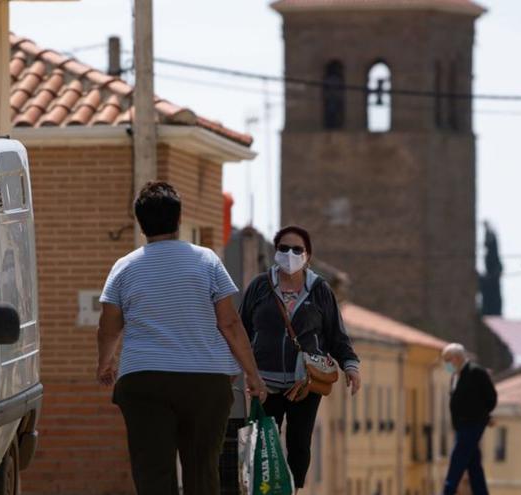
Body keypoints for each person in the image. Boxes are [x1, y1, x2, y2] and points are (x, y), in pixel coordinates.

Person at [96, 181, 268, 495]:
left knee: (153, 475)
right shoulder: (208, 261)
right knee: (203, 472)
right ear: (178, 219)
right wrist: (252, 374)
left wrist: (105, 364)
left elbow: (109, 327)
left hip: (144, 379)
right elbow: (229, 323)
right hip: (206, 381)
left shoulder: (123, 268)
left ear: (140, 222)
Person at [239, 225, 361, 491]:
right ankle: (266, 491)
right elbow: (241, 330)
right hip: (264, 383)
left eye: (297, 249)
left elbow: (336, 334)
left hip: (305, 383)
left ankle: (294, 489)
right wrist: (240, 371)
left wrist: (351, 366)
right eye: (283, 248)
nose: (290, 254)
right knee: (263, 445)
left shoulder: (320, 290)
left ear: (307, 254)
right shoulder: (260, 287)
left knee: (299, 444)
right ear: (275, 251)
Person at [442, 343, 497, 495]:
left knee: (457, 459)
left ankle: (447, 490)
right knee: (473, 465)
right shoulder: (454, 376)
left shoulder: (476, 373)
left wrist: (483, 415)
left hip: (472, 424)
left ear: (458, 358)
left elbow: (491, 398)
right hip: (461, 425)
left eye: (448, 360)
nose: (446, 364)